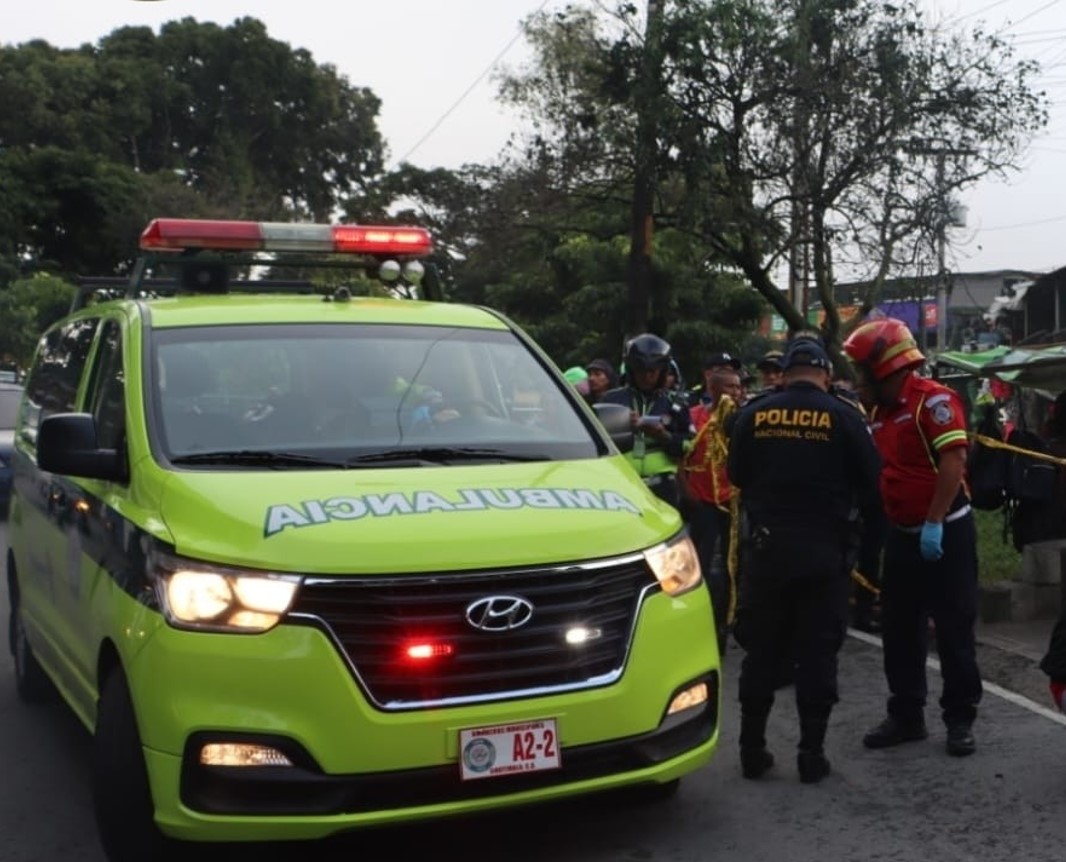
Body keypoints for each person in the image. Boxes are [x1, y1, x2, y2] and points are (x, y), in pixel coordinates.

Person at [727, 336, 882, 783]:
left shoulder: (753, 414)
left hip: (767, 552)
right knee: (817, 654)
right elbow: (873, 484)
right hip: (824, 554)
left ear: (787, 371)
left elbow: (737, 474)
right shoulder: (845, 417)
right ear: (826, 374)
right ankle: (811, 754)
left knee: (761, 651)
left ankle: (751, 750)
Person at [843, 317, 982, 757]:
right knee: (900, 629)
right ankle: (907, 715)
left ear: (885, 367)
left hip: (946, 534)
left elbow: (953, 462)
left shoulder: (933, 402)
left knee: (954, 627)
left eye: (861, 370)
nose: (857, 379)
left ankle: (960, 719)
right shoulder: (878, 414)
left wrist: (935, 521)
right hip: (902, 536)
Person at [682, 366, 743, 651]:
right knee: (701, 565)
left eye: (737, 386)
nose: (735, 392)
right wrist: (688, 491)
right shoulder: (695, 417)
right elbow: (679, 458)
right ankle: (697, 624)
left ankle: (724, 622)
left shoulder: (742, 420)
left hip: (732, 501)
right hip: (702, 502)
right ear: (713, 390)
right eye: (729, 387)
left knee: (733, 565)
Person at [601, 333, 692, 508]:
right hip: (622, 483)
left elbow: (688, 447)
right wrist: (623, 426)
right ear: (631, 369)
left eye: (653, 371)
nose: (647, 376)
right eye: (641, 371)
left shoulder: (676, 403)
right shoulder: (611, 400)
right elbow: (599, 443)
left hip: (663, 486)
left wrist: (662, 435)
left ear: (663, 370)